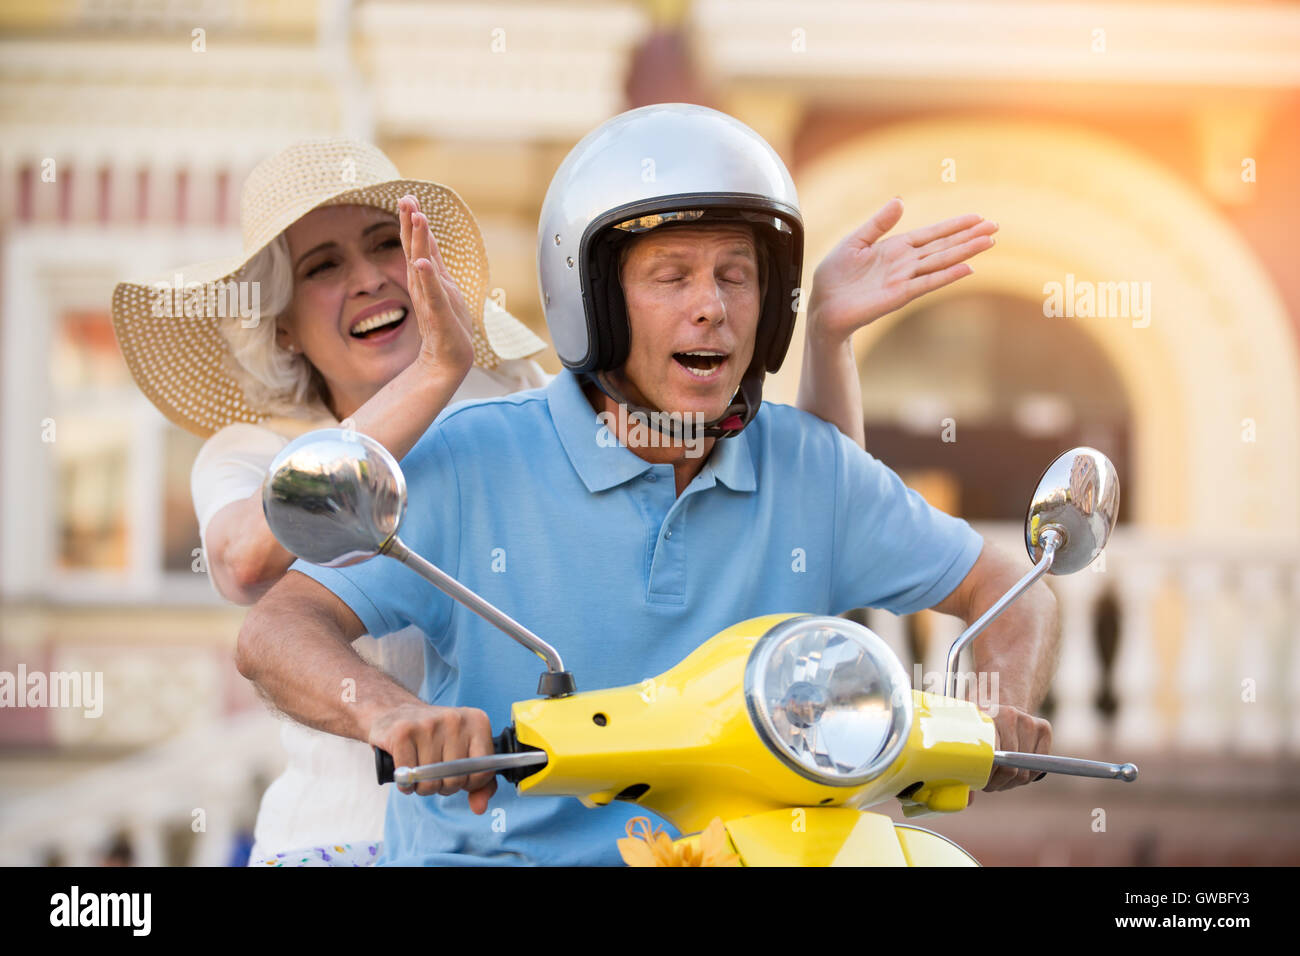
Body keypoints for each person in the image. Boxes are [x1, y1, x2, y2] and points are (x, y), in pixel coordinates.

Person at [233, 104, 1042, 866]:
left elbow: (1012, 587)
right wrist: (391, 713)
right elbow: (278, 629)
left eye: (736, 275)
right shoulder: (474, 456)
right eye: (671, 276)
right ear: (594, 305)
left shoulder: (812, 466)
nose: (712, 309)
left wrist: (993, 705)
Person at [110, 138, 551, 865]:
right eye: (324, 266)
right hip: (340, 837)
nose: (371, 278)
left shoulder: (511, 404)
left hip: (527, 834)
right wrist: (434, 374)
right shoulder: (248, 452)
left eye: (387, 245)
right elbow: (245, 561)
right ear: (281, 322)